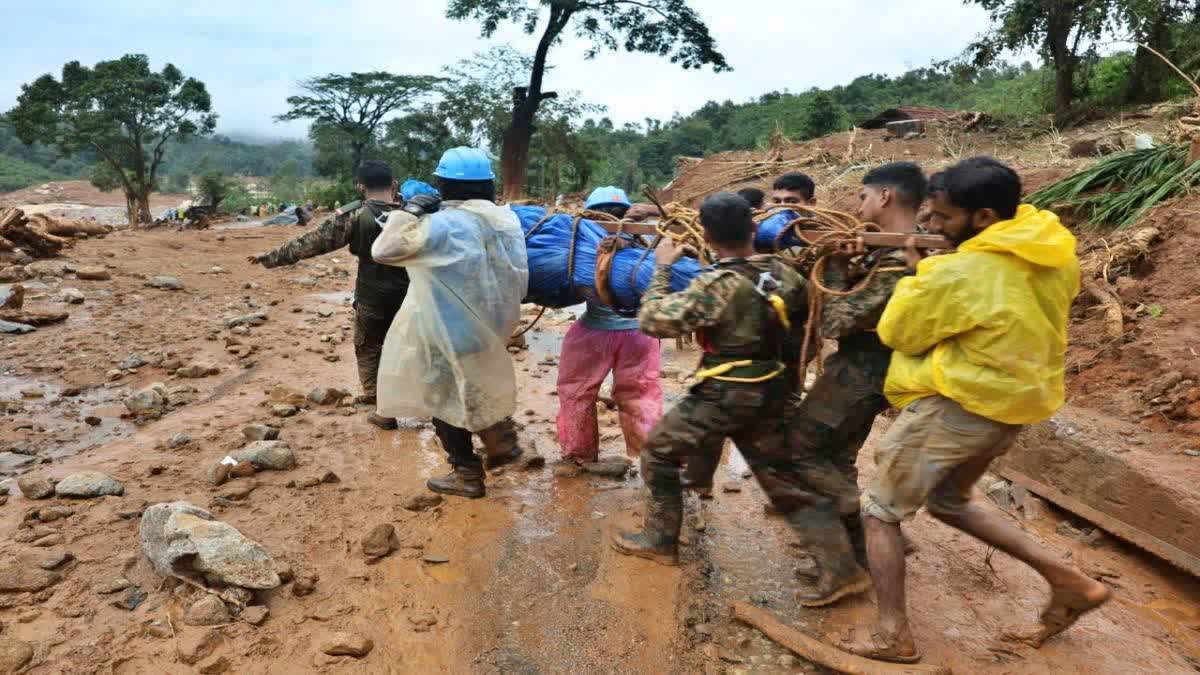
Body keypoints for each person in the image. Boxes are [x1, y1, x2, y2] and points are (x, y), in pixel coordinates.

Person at [843, 157, 1109, 664]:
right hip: (1010, 406)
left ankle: (891, 634)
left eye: (942, 218)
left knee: (878, 513)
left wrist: (918, 275)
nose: (931, 226)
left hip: (955, 406)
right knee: (948, 501)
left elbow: (898, 333)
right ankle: (1069, 580)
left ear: (984, 216)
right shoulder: (1051, 248)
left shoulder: (959, 271)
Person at [611, 192, 814, 565]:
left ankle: (659, 540)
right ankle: (841, 566)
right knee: (780, 478)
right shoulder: (786, 274)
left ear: (704, 236)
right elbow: (799, 321)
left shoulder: (716, 285)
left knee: (658, 452)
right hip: (771, 385)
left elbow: (653, 320)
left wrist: (663, 268)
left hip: (727, 390)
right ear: (753, 227)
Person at [781, 162, 927, 608]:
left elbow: (838, 319)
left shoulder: (898, 262)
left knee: (798, 449)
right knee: (838, 456)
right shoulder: (899, 251)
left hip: (863, 370)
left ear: (885, 197)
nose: (858, 205)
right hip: (872, 369)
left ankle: (854, 557)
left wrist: (840, 269)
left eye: (863, 196)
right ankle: (860, 552)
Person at [372, 147, 528, 499]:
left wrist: (410, 212)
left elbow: (384, 251)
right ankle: (500, 440)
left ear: (443, 185)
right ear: (488, 184)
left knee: (442, 398)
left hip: (448, 328)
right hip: (490, 325)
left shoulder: (443, 225)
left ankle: (466, 474)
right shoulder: (505, 220)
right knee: (474, 385)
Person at [249, 160, 410, 430]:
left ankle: (381, 406)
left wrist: (270, 257)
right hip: (412, 295)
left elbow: (312, 242)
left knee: (369, 348)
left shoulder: (354, 215)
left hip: (372, 295)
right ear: (394, 184)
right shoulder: (414, 212)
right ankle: (425, 404)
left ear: (360, 186)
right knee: (412, 348)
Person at [556, 187, 664, 465]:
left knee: (576, 393)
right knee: (642, 397)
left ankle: (579, 456)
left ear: (590, 212)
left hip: (592, 331)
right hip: (640, 334)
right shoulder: (644, 244)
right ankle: (653, 462)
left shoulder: (579, 243)